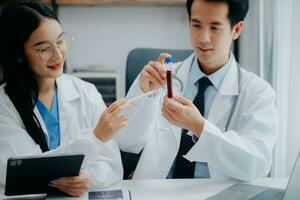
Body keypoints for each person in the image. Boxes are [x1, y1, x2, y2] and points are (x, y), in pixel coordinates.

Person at [118, 0, 278, 181]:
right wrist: (143, 95)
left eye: (215, 27)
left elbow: (256, 166)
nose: (203, 38)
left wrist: (200, 128)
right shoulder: (162, 78)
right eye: (196, 25)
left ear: (237, 29)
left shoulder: (258, 92)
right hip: (157, 191)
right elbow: (126, 142)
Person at [0, 2, 129, 197]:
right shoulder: (4, 104)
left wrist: (87, 178)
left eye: (60, 41)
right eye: (44, 48)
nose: (58, 55)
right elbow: (22, 170)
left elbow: (111, 165)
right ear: (19, 54)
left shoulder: (86, 92)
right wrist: (95, 138)